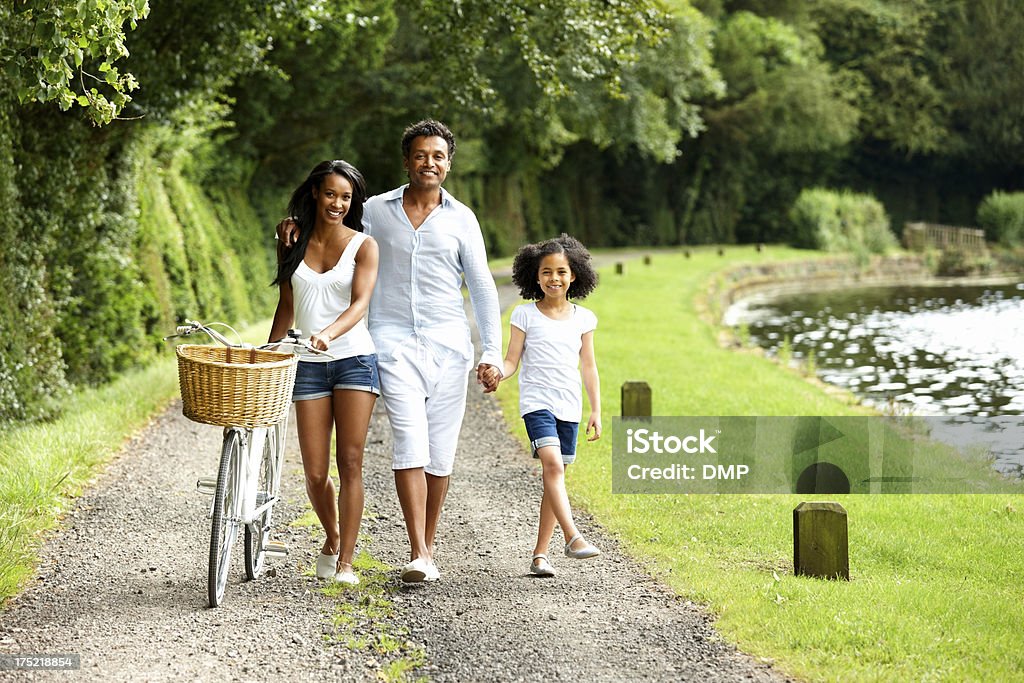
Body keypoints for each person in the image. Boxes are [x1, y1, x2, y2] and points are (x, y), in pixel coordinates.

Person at [279, 120, 503, 583]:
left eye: (438, 156)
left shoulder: (463, 219)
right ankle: (417, 550)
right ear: (407, 161)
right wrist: (294, 223)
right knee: (409, 442)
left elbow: (481, 287)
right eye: (421, 155)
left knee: (441, 454)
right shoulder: (376, 211)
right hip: (390, 344)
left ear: (448, 162)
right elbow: (332, 230)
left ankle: (427, 548)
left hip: (449, 347)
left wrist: (492, 353)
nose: (430, 163)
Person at [269, 159, 380, 586]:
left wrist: (327, 334)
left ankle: (347, 563)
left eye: (346, 197)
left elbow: (360, 305)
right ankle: (332, 538)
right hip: (308, 369)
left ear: (353, 203)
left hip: (353, 360)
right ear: (316, 192)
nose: (337, 203)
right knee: (315, 472)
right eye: (331, 193)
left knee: (350, 462)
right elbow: (287, 305)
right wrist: (271, 350)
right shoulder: (291, 240)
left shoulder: (364, 246)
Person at [486, 234, 602, 577]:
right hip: (537, 403)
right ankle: (573, 537)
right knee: (552, 466)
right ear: (535, 277)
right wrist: (497, 373)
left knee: (556, 479)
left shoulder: (585, 319)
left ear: (574, 275)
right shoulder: (524, 315)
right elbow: (511, 361)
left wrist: (595, 409)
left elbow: (589, 366)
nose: (554, 278)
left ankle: (539, 555)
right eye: (547, 272)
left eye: (561, 272)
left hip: (570, 406)